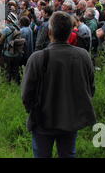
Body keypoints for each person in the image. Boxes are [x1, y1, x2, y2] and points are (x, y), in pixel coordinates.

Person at [22, 11, 96, 158]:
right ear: (70, 32)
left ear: (49, 32)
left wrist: (33, 110)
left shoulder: (37, 58)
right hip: (70, 119)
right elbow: (91, 89)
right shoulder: (83, 56)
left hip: (43, 120)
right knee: (68, 154)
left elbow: (26, 94)